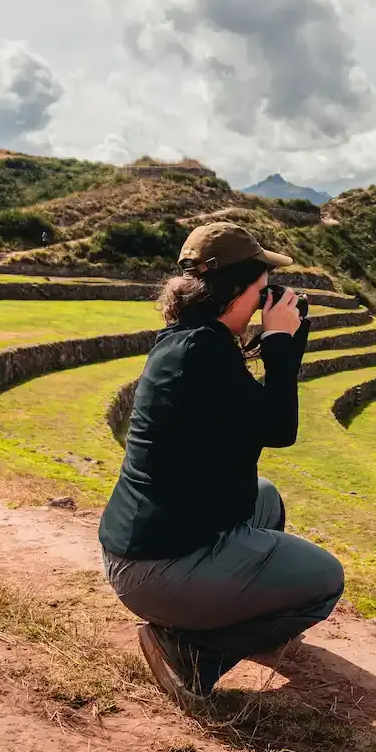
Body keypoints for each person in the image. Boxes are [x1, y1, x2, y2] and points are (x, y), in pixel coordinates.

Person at [98, 221, 345, 708]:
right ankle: (192, 652)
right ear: (235, 293)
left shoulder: (189, 342)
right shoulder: (203, 355)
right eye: (260, 290)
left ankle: (219, 618)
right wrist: (276, 346)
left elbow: (257, 421)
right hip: (158, 568)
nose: (264, 301)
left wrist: (281, 349)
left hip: (144, 548)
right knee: (324, 581)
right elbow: (280, 430)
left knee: (266, 495)